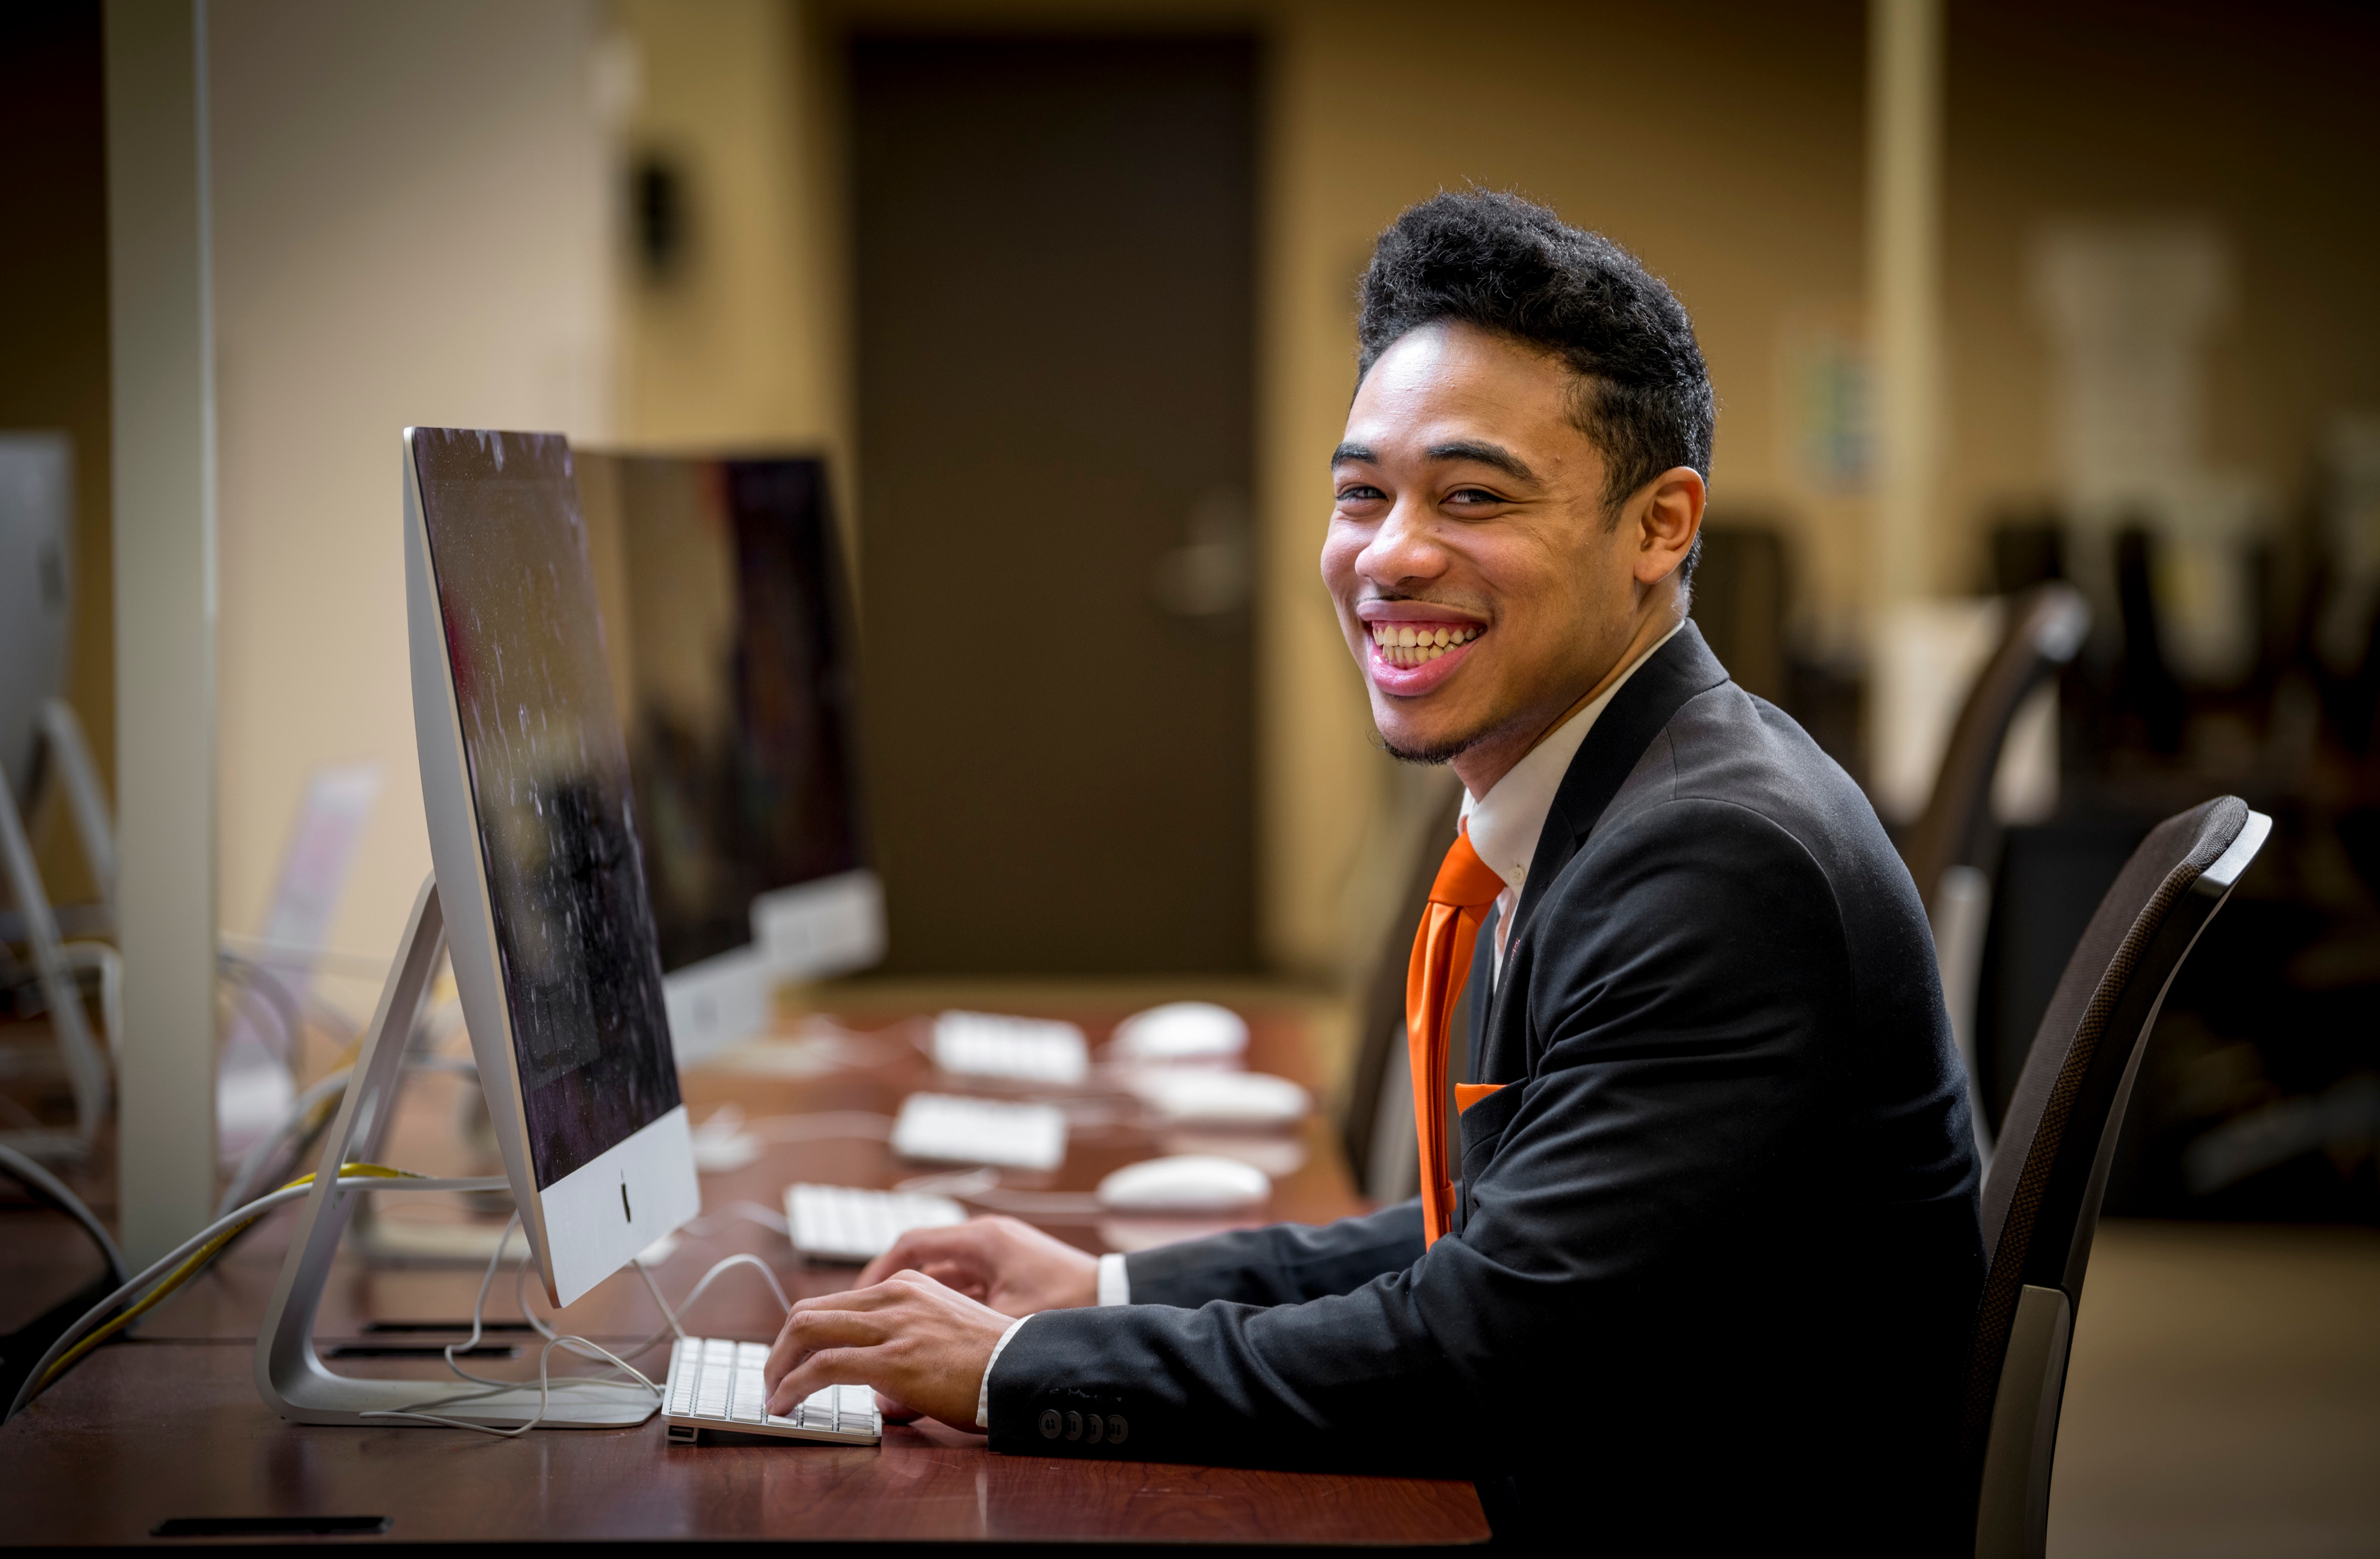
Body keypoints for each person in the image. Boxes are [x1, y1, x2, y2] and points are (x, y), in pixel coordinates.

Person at [763, 190, 1984, 1549]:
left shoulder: (1714, 860)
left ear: (1660, 525)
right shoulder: (1632, 787)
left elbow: (1481, 1346)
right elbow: (1495, 1238)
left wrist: (1005, 1371)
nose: (1388, 555)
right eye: (1361, 493)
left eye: (1470, 495)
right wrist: (1098, 1283)